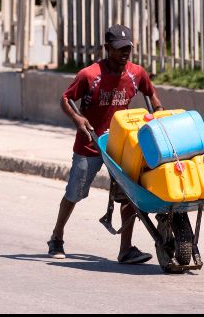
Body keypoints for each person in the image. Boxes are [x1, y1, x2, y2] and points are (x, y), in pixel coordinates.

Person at [48, 24, 163, 264]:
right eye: (119, 48)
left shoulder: (136, 73)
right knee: (75, 193)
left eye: (128, 48)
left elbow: (151, 94)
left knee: (130, 195)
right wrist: (78, 119)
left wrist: (159, 113)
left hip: (121, 145)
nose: (124, 53)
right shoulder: (90, 75)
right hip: (90, 143)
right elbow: (65, 99)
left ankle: (126, 249)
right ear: (107, 48)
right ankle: (57, 236)